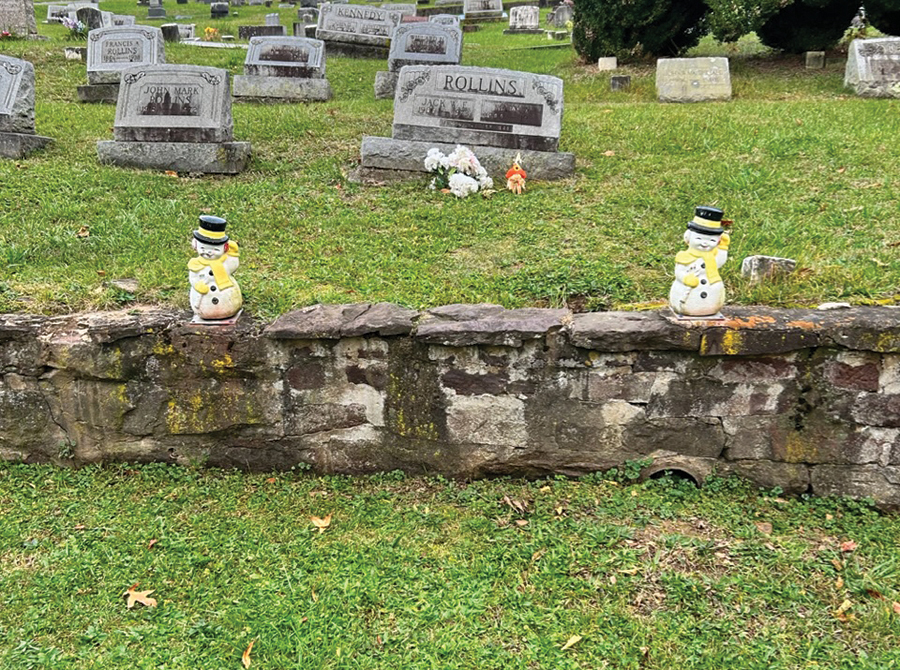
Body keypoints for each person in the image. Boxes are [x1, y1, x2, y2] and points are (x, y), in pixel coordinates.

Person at [668, 206, 730, 318]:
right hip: (688, 295)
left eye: (711, 240)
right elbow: (679, 272)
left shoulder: (712, 257)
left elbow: (719, 262)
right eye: (699, 239)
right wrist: (685, 278)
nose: (705, 243)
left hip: (712, 292)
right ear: (688, 237)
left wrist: (723, 248)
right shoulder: (684, 257)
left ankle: (711, 308)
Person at [188, 215, 242, 322]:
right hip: (203, 301)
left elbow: (233, 265)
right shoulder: (195, 264)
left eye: (215, 250)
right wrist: (197, 285)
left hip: (226, 298)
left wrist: (233, 254)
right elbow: (193, 277)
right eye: (202, 248)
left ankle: (229, 308)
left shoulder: (225, 263)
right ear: (195, 245)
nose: (208, 252)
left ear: (224, 248)